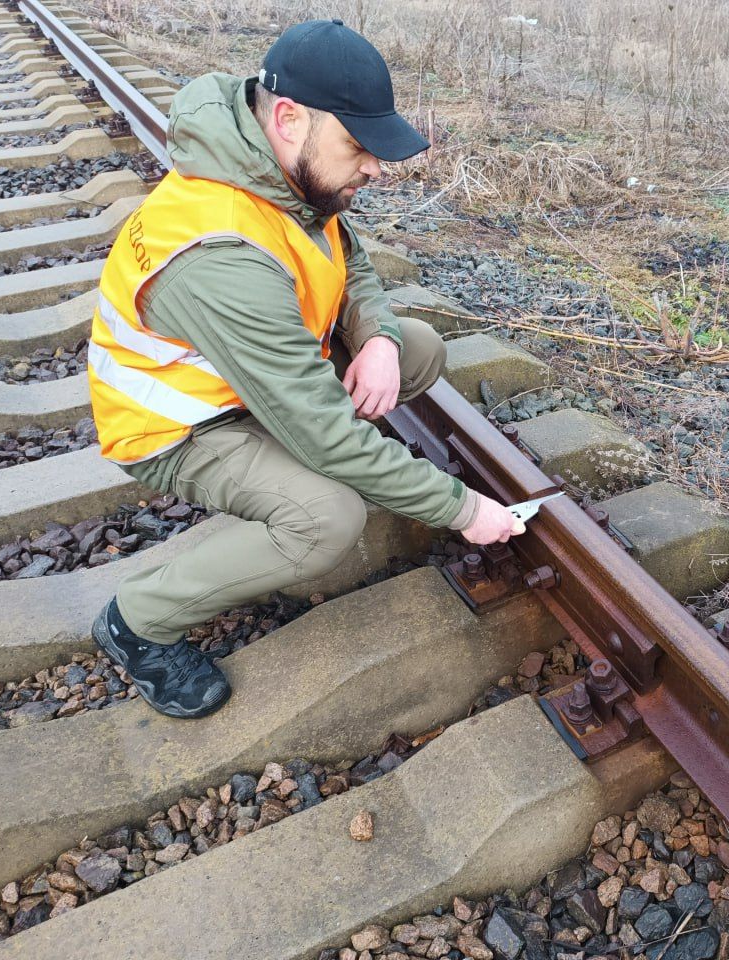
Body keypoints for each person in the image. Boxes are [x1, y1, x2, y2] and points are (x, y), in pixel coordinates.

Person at [87, 20, 522, 719]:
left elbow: (342, 252)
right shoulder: (220, 251)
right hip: (180, 425)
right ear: (289, 119)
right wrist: (462, 509)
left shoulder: (279, 169)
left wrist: (376, 334)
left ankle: (312, 441)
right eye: (360, 147)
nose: (374, 168)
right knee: (328, 517)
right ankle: (137, 621)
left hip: (249, 382)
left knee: (416, 347)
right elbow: (323, 433)